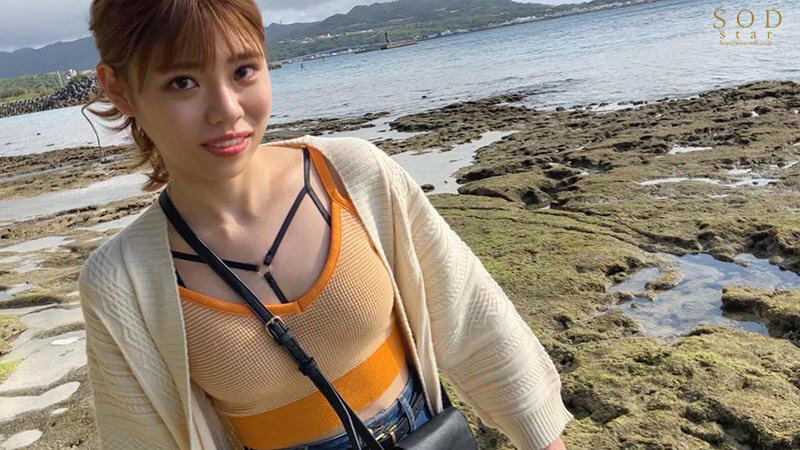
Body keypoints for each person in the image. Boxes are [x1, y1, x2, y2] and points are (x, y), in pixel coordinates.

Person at [79, 0, 574, 449]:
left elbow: (473, 317)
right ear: (120, 89)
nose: (226, 110)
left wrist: (543, 438)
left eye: (244, 70)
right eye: (182, 82)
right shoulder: (120, 281)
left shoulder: (352, 174)